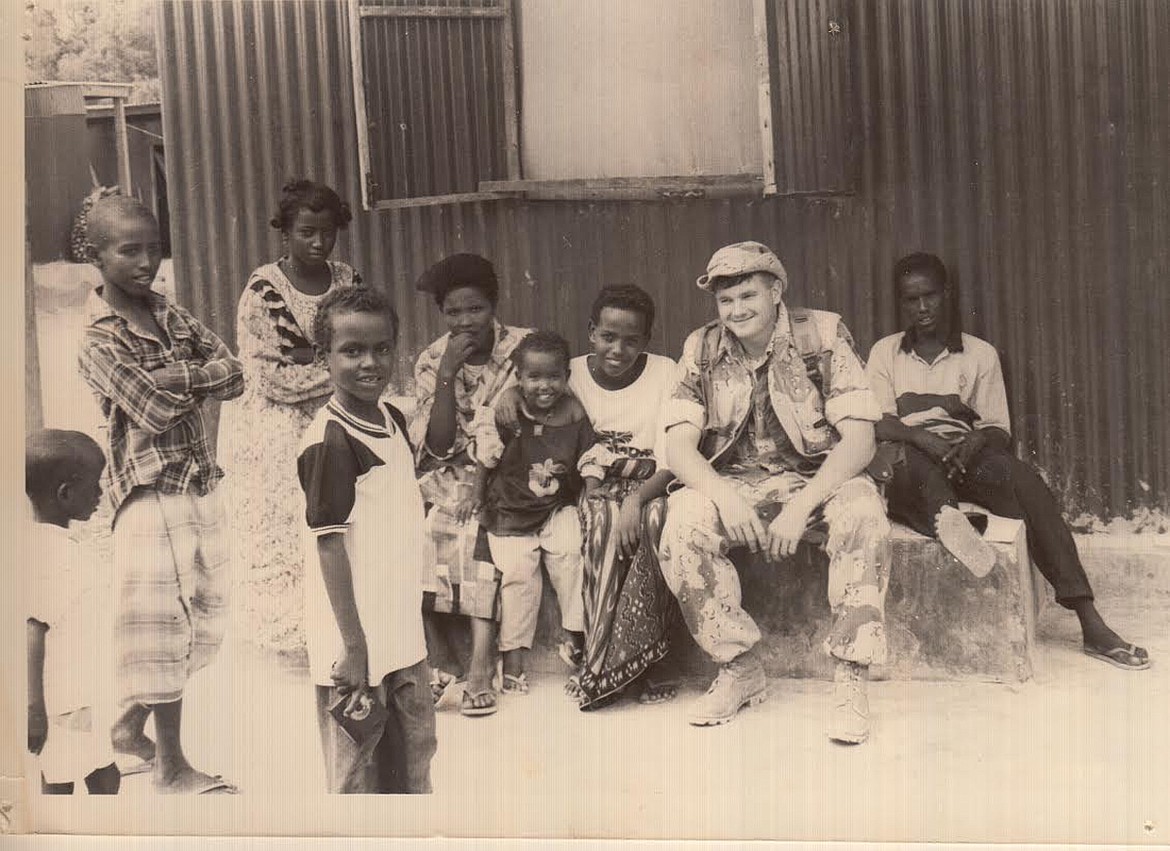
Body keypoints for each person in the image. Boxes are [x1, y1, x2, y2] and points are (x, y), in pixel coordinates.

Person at [866, 252, 1150, 670]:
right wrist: (920, 436)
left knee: (1026, 482)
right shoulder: (885, 353)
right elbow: (878, 423)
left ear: (947, 295)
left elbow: (1000, 428)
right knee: (915, 470)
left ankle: (1090, 621)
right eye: (911, 299)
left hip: (965, 456)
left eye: (930, 296)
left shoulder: (979, 355)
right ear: (900, 303)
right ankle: (948, 518)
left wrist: (976, 440)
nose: (922, 308)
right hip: (912, 456)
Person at [660, 241, 891, 744]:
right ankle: (739, 668)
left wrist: (801, 508)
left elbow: (860, 440)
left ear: (776, 292)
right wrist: (724, 496)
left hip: (816, 479)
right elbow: (677, 446)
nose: (737, 311)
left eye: (748, 296)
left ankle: (851, 676)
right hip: (737, 481)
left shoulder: (821, 334)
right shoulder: (701, 347)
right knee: (682, 522)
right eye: (726, 301)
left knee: (863, 511)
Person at [77, 195, 243, 793]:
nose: (146, 261)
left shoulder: (168, 314)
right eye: (129, 250)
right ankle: (172, 767)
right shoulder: (98, 338)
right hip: (148, 496)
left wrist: (184, 377)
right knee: (161, 630)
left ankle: (127, 729)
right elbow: (151, 405)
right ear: (95, 257)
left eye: (153, 247)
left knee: (202, 622)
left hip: (196, 483)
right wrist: (195, 381)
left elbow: (237, 372)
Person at [498, 285, 681, 708]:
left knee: (655, 525)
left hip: (652, 481)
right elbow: (529, 388)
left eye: (632, 340)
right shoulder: (571, 372)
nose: (618, 349)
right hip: (593, 483)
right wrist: (509, 394)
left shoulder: (666, 372)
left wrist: (637, 501)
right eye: (608, 337)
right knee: (599, 526)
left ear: (647, 341)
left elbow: (673, 455)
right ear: (591, 333)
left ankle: (649, 661)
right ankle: (599, 663)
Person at [297, 286, 436, 794]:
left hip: (400, 635)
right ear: (323, 357)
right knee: (357, 772)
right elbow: (329, 545)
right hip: (354, 643)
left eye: (381, 348)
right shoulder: (331, 441)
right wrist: (354, 646)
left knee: (414, 758)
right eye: (351, 351)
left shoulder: (392, 419)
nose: (369, 362)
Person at [219, 179, 363, 659]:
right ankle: (294, 641)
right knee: (292, 520)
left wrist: (324, 367)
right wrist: (336, 370)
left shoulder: (347, 281)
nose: (319, 243)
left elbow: (364, 347)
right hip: (276, 421)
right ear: (286, 234)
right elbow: (270, 379)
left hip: (333, 410)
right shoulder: (264, 291)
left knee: (347, 516)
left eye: (327, 233)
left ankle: (344, 627)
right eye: (306, 233)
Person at [409, 253, 532, 717]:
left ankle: (481, 666)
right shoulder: (431, 359)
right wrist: (446, 376)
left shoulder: (523, 348)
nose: (465, 322)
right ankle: (440, 658)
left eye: (475, 308)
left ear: (494, 304)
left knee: (479, 531)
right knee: (414, 528)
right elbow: (437, 447)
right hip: (450, 470)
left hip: (510, 470)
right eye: (454, 312)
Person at [473, 331, 594, 698]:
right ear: (518, 377)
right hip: (510, 511)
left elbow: (588, 456)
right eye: (534, 377)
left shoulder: (573, 412)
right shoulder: (507, 411)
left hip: (556, 507)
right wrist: (478, 500)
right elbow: (486, 457)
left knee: (572, 554)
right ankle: (513, 659)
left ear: (566, 377)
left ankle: (575, 638)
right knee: (518, 577)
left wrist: (591, 487)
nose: (545, 385)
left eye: (554, 377)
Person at [25, 430, 120, 795]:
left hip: (79, 696)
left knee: (103, 774)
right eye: (95, 487)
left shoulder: (50, 546)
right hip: (64, 704)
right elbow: (32, 631)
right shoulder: (57, 555)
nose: (100, 495)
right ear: (65, 494)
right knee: (66, 780)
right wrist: (35, 710)